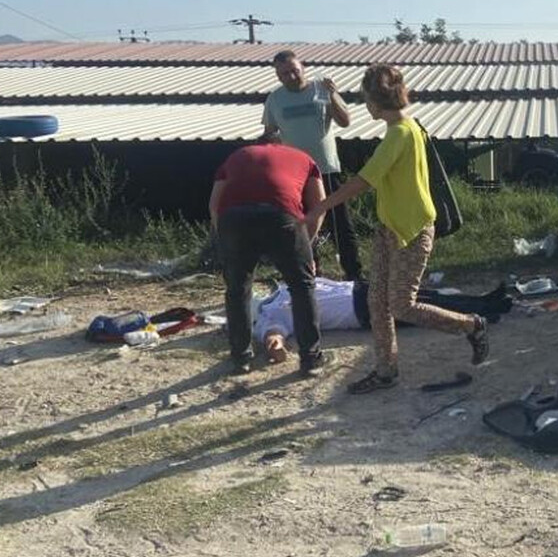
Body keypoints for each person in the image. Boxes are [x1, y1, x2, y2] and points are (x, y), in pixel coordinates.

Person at [304, 63, 488, 394]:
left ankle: (472, 325)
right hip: (391, 228)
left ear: (375, 102)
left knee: (402, 304)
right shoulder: (405, 127)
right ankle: (386, 371)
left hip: (413, 229)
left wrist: (320, 206)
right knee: (377, 303)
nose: (366, 106)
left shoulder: (400, 133)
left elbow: (362, 181)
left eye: (365, 100)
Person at [209, 137, 329, 377]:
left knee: (238, 289)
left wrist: (226, 240)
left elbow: (214, 205)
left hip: (234, 218)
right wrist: (308, 246)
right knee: (302, 285)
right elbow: (319, 206)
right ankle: (311, 359)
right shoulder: (304, 158)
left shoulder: (236, 156)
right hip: (282, 215)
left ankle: (240, 358)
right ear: (282, 145)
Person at [262, 50, 365, 283]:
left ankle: (354, 274)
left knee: (340, 224)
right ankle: (311, 272)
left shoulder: (321, 90)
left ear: (303, 68)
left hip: (326, 169)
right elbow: (270, 132)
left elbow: (345, 121)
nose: (290, 76)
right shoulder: (275, 99)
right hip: (294, 174)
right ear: (278, 76)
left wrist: (333, 94)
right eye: (284, 73)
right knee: (302, 224)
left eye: (294, 71)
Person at [254, 277, 511, 364]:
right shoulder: (266, 317)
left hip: (360, 289)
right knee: (430, 307)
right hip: (360, 310)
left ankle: (485, 301)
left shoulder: (283, 287)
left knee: (428, 296)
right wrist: (275, 347)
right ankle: (485, 311)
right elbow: (273, 336)